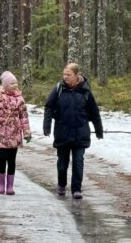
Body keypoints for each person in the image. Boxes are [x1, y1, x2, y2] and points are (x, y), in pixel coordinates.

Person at [42, 63, 104, 200]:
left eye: (68, 75)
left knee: (78, 161)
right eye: (64, 74)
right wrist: (46, 127)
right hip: (62, 132)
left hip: (80, 133)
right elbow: (48, 107)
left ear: (76, 75)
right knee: (62, 163)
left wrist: (99, 130)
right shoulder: (58, 89)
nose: (65, 77)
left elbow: (94, 113)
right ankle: (62, 185)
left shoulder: (86, 91)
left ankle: (76, 188)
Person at [0, 71, 32, 195]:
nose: (15, 85)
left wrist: (27, 132)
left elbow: (24, 117)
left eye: (16, 83)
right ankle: (1, 183)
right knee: (2, 158)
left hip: (15, 132)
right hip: (1, 133)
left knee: (12, 160)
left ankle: (10, 186)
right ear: (6, 85)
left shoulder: (20, 99)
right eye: (12, 83)